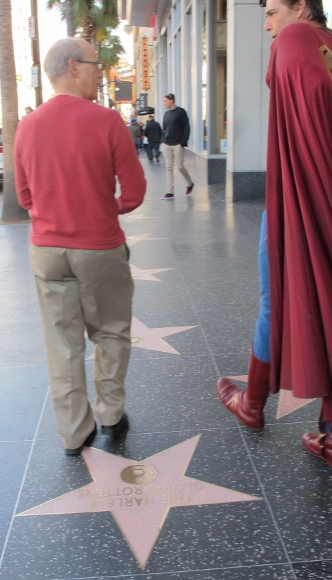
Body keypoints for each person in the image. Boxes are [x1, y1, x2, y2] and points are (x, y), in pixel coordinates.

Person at [14, 38, 146, 456]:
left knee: (62, 342)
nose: (100, 71)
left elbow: (24, 197)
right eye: (95, 63)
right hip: (99, 247)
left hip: (47, 251)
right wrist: (107, 207)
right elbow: (135, 192)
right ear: (73, 66)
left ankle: (74, 432)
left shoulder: (27, 126)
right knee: (110, 332)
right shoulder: (106, 121)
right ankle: (110, 415)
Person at [216, 0, 332, 466]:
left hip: (302, 196)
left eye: (272, 10)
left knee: (278, 298)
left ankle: (252, 405)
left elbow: (302, 92)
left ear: (301, 8)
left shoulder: (296, 37)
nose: (266, 23)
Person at [161, 93, 194, 200]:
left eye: (165, 101)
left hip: (177, 144)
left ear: (171, 101)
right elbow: (164, 128)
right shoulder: (166, 114)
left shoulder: (181, 112)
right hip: (167, 143)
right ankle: (170, 191)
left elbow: (186, 128)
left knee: (179, 166)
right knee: (169, 167)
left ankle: (190, 183)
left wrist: (182, 142)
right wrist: (162, 140)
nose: (164, 103)